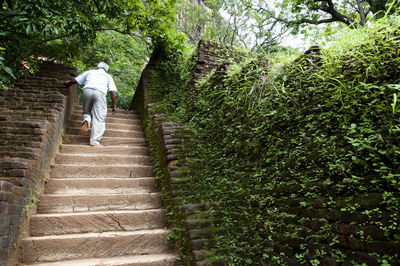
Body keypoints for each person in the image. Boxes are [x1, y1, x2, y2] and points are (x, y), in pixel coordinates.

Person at [64, 62, 117, 146]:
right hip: (100, 93)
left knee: (86, 111)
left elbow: (75, 80)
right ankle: (94, 141)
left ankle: (87, 120)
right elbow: (112, 92)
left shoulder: (90, 72)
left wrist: (67, 83)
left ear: (97, 67)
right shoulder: (108, 76)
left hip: (87, 90)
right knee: (99, 117)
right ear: (106, 70)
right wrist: (114, 105)